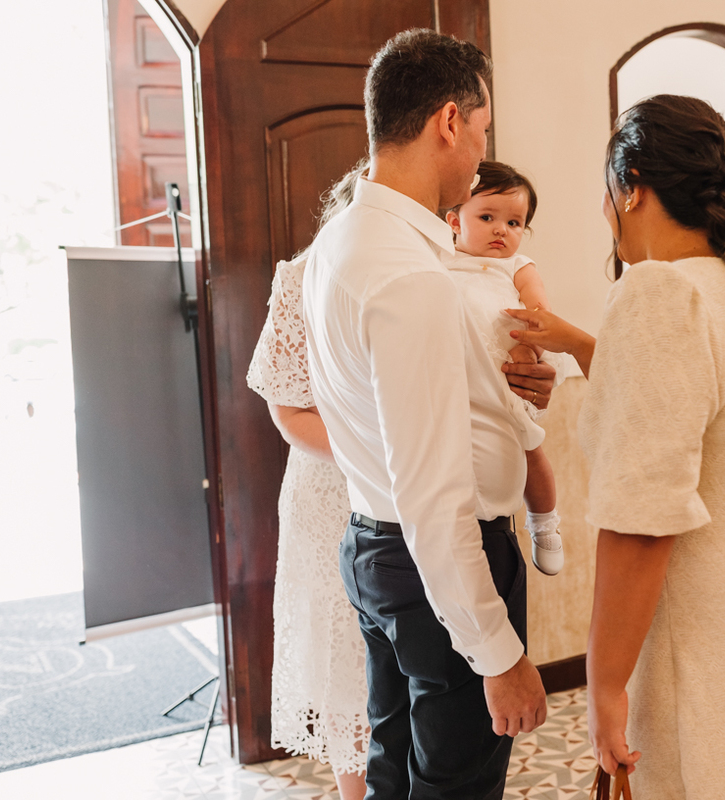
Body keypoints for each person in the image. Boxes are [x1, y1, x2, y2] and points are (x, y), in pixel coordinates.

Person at [506, 95, 725, 799]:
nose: (604, 210)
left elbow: (642, 517)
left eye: (607, 190)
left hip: (711, 610)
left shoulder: (657, 292)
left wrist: (603, 682)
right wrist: (581, 344)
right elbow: (690, 407)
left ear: (633, 187)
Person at [300, 29, 553, 800]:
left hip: (373, 549)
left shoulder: (341, 241)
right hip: (433, 562)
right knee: (454, 788)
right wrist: (498, 653)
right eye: (480, 133)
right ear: (449, 121)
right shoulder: (410, 276)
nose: (481, 155)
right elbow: (433, 494)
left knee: (394, 773)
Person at [245, 161, 371, 799]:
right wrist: (377, 453)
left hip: (410, 483)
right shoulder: (299, 279)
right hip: (329, 488)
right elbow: (289, 410)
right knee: (343, 652)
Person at [444, 160, 564, 575]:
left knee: (532, 452)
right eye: (488, 217)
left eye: (515, 222)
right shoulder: (439, 262)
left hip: (511, 372)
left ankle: (545, 523)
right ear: (454, 220)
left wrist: (535, 325)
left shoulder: (517, 266)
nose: (502, 230)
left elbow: (538, 306)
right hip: (463, 386)